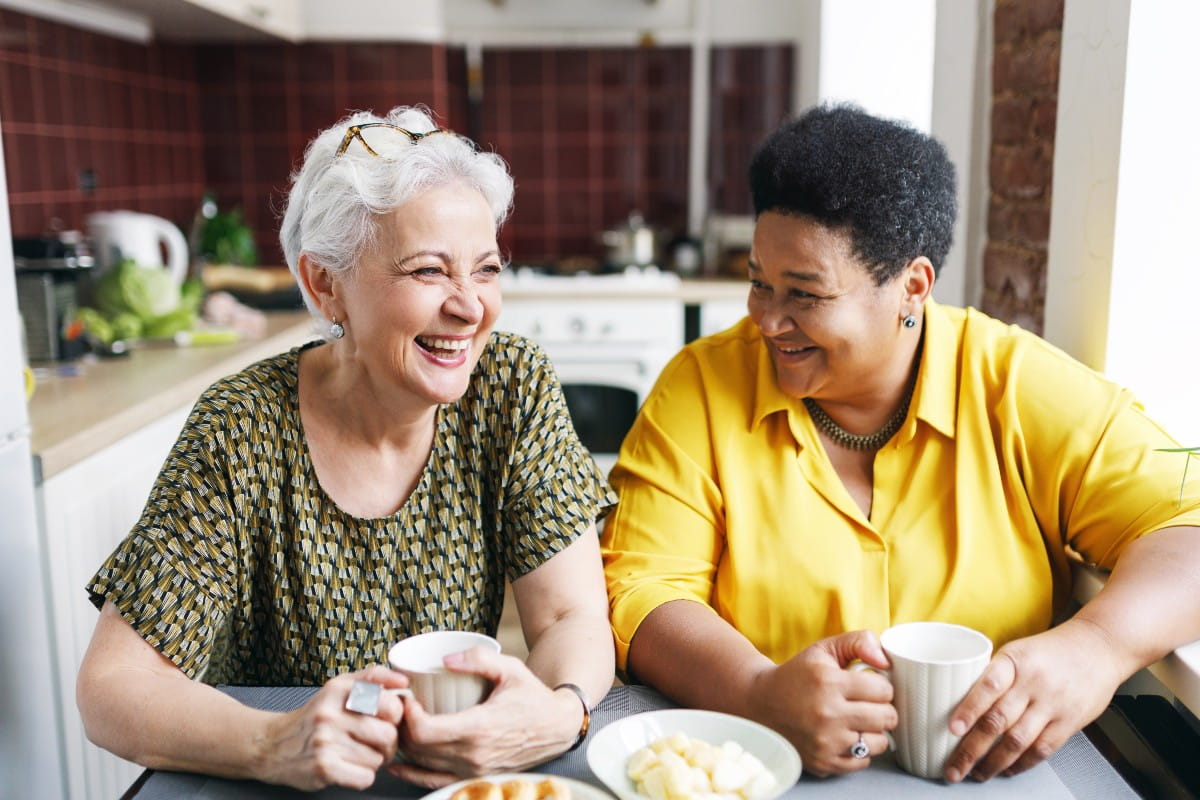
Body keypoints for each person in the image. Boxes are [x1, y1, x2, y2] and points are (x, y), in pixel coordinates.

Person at [600, 104, 1200, 782]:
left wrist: (1100, 645)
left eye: (805, 293)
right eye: (759, 282)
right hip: (756, 773)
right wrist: (757, 694)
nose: (768, 320)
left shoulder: (1016, 385)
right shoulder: (701, 387)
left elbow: (1189, 522)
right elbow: (644, 588)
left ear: (911, 287)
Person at [77, 105, 616, 792]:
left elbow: (572, 614)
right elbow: (112, 685)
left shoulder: (510, 386)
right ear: (325, 284)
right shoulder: (241, 426)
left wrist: (555, 711)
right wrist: (275, 741)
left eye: (485, 270)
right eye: (428, 272)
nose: (470, 306)